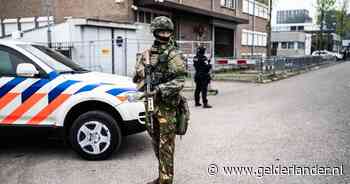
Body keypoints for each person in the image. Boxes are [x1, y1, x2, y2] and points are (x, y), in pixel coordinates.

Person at [133, 16, 187, 184]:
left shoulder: (173, 54)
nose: (164, 35)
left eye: (167, 31)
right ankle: (162, 175)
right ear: (154, 32)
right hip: (150, 105)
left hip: (167, 107)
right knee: (155, 141)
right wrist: (143, 74)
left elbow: (180, 80)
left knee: (166, 145)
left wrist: (159, 89)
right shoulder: (146, 54)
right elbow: (135, 77)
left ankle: (165, 180)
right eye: (161, 31)